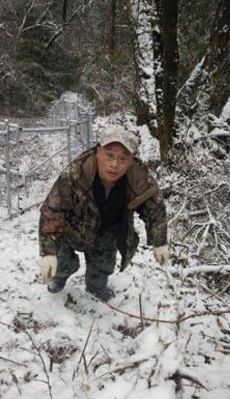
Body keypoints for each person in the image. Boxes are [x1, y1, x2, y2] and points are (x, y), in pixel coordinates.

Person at [37, 125, 169, 301]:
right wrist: (48, 252)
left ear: (131, 160)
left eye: (123, 158)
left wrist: (160, 241)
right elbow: (51, 210)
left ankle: (96, 288)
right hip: (72, 229)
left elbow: (155, 208)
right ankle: (60, 276)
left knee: (102, 267)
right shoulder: (75, 174)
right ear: (98, 152)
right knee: (60, 263)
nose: (115, 164)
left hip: (107, 231)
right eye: (109, 155)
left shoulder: (139, 178)